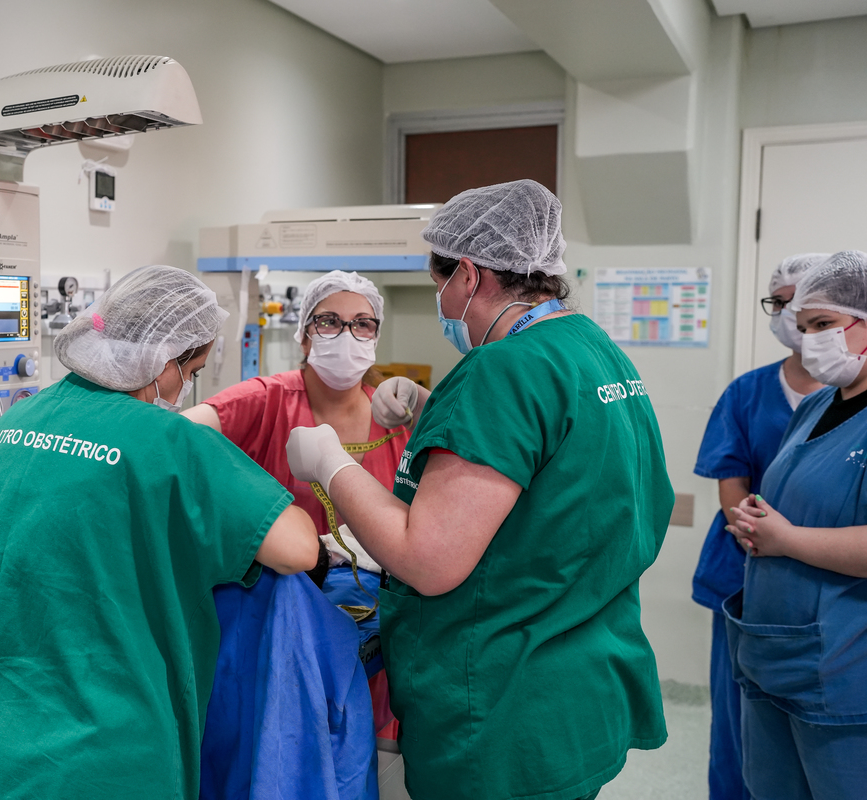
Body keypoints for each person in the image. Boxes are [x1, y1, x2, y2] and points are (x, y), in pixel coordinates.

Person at [286, 179, 674, 800]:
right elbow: (559, 473)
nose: (441, 304)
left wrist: (330, 463)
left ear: (467, 275)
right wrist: (435, 410)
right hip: (581, 679)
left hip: (502, 701)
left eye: (439, 285)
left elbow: (428, 560)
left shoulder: (500, 369)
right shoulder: (593, 349)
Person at [0, 265, 318, 800]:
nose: (185, 387)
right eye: (191, 370)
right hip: (96, 754)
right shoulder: (170, 442)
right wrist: (326, 464)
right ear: (165, 359)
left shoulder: (21, 418)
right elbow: (299, 548)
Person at [184, 270, 410, 737]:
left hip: (372, 640)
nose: (346, 334)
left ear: (375, 337)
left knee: (359, 744)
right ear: (304, 336)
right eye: (329, 321)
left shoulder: (399, 422)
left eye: (362, 323)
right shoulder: (266, 401)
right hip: (275, 630)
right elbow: (172, 438)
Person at [725, 250, 867, 800]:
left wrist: (786, 539)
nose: (811, 342)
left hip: (844, 665)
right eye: (804, 328)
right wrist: (755, 521)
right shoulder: (816, 406)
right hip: (775, 649)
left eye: (824, 324)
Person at [692, 253, 827, 800]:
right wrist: (755, 534)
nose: (792, 316)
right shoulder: (747, 393)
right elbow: (732, 483)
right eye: (781, 303)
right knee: (737, 722)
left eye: (809, 307)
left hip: (831, 584)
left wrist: (796, 544)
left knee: (821, 735)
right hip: (742, 573)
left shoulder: (849, 401)